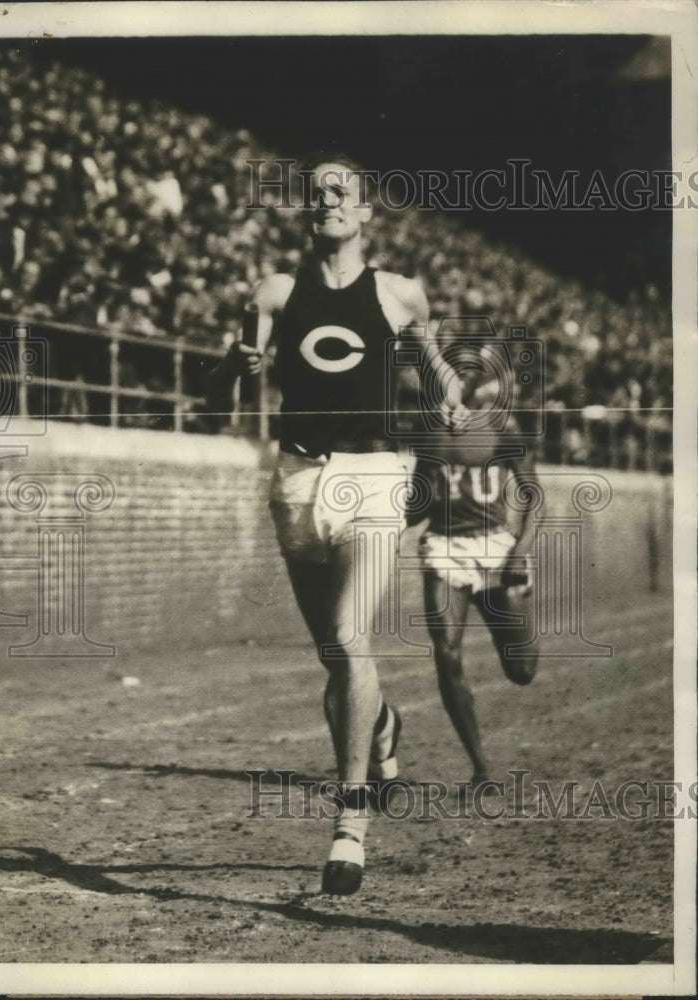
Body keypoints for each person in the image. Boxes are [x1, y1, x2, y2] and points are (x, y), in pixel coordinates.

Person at [207, 153, 467, 895]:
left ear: (363, 212)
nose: (326, 200)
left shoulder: (398, 293)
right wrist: (233, 369)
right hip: (296, 480)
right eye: (315, 192)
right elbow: (218, 398)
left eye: (340, 191)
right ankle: (380, 726)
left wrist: (452, 398)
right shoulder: (275, 292)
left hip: (374, 476)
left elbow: (437, 369)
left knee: (352, 640)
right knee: (335, 655)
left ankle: (350, 822)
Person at [405, 343, 540, 789]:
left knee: (522, 671)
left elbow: (535, 500)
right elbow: (416, 508)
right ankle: (481, 768)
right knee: (447, 653)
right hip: (444, 547)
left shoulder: (503, 429)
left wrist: (519, 551)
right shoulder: (429, 430)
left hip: (497, 546)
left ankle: (521, 608)